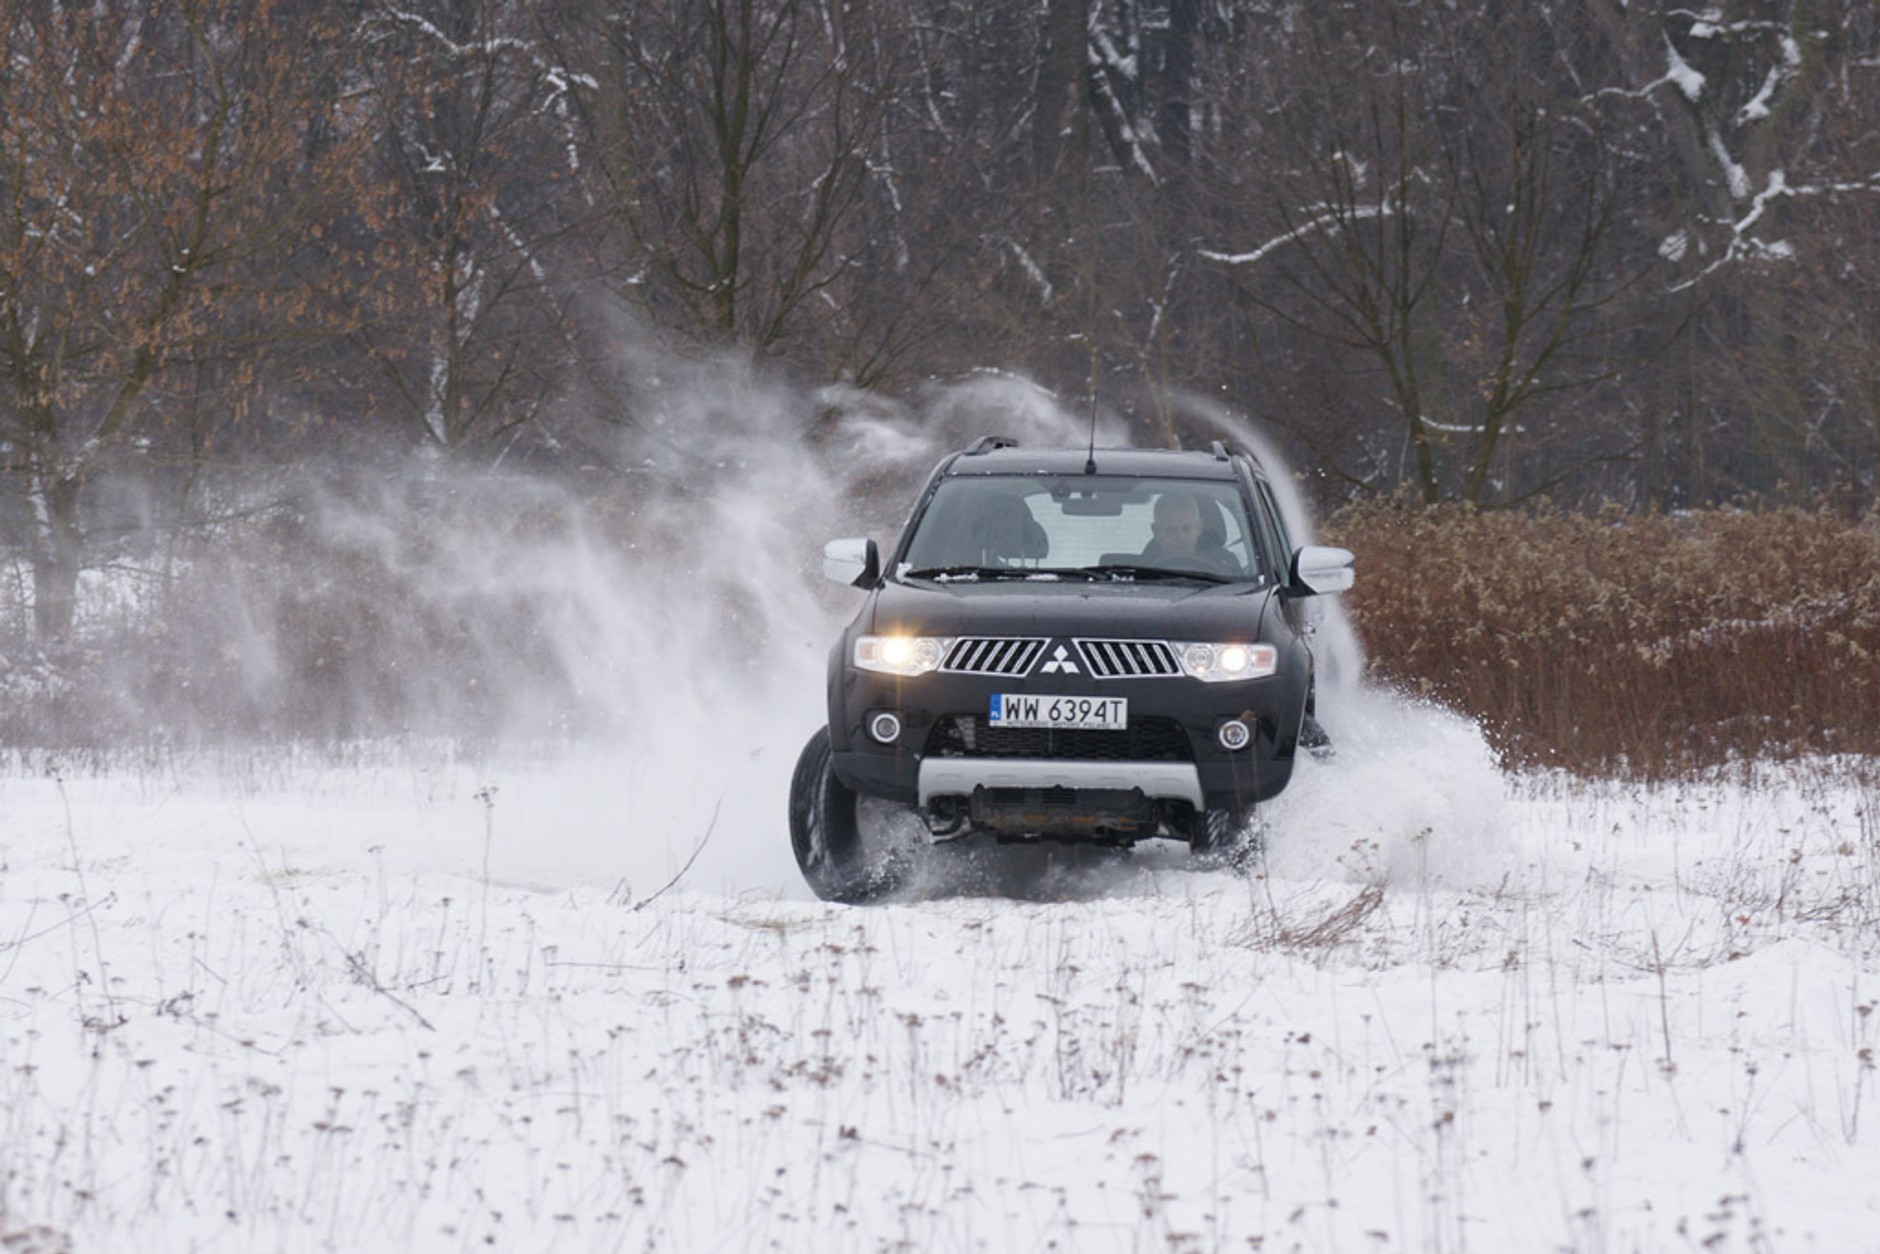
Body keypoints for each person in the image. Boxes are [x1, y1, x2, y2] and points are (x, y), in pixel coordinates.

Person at [1140, 491, 1234, 573]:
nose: (1181, 537)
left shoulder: (1226, 565)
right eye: (1171, 530)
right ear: (1156, 531)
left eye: (1186, 528)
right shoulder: (1140, 570)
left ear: (1198, 528)